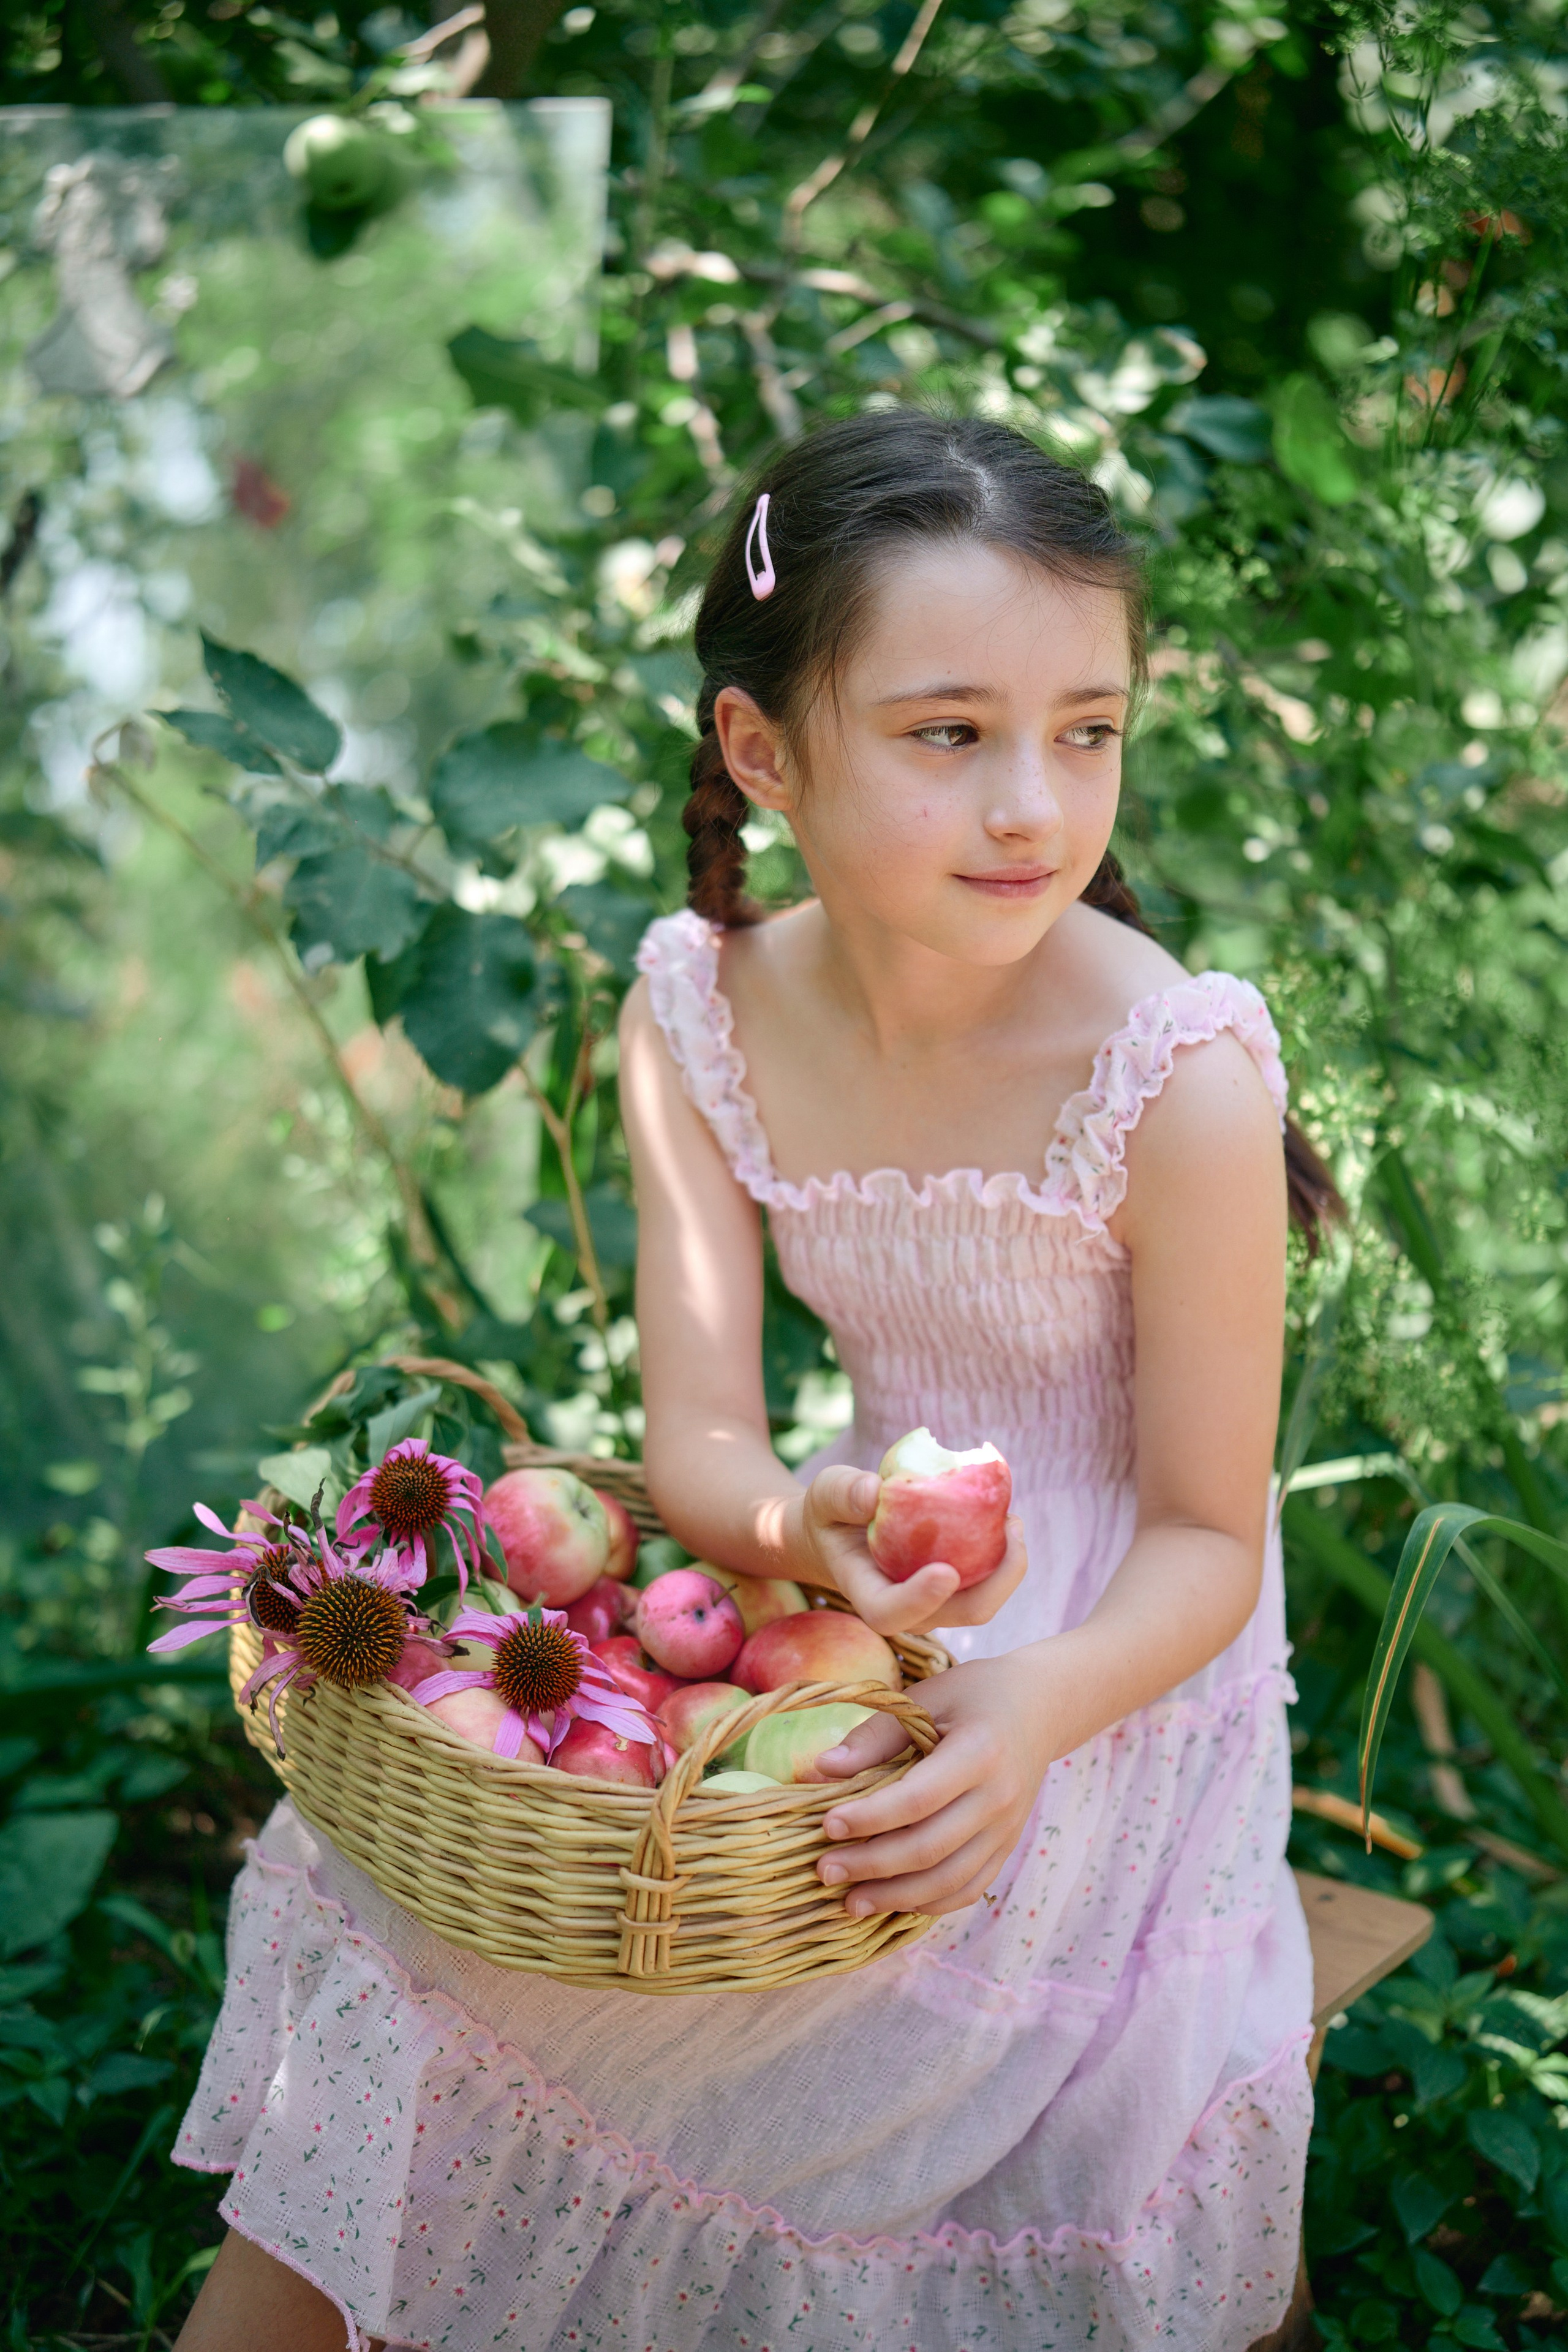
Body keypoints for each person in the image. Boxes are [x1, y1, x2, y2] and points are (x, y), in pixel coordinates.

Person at [176, 410, 1336, 2352]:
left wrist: (1030, 1708)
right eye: (948, 732)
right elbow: (704, 1440)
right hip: (875, 1596)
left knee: (812, 2004)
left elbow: (1212, 1535)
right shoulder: (698, 1009)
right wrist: (809, 1522)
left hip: (1116, 1664)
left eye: (1090, 728)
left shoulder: (1182, 1082)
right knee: (414, 1892)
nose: (1035, 807)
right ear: (760, 750)